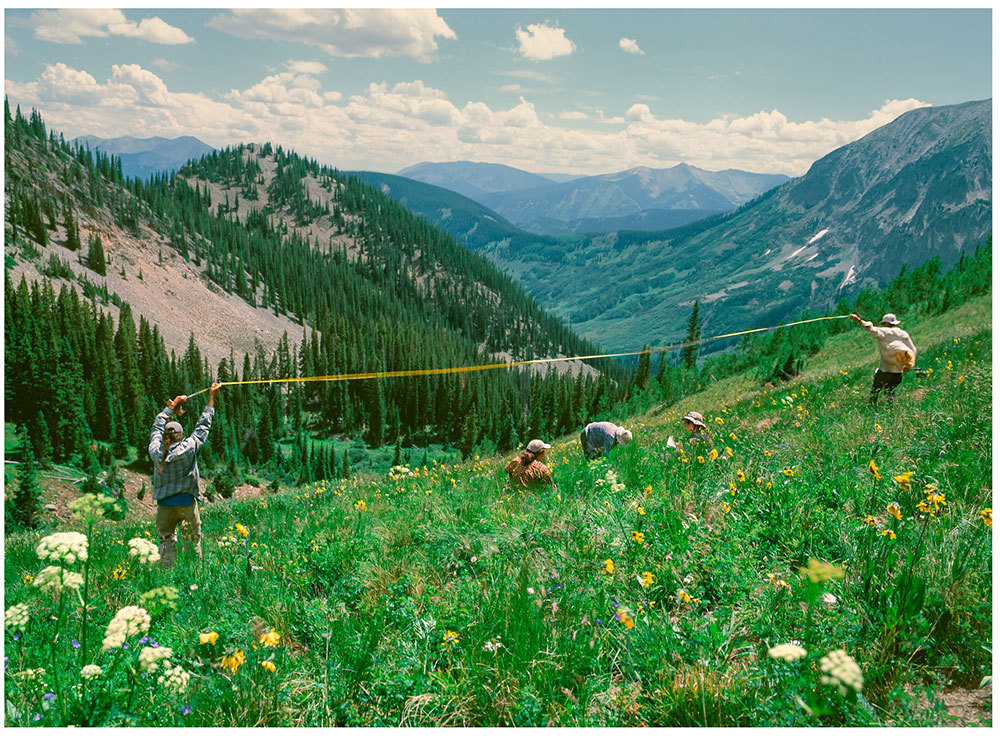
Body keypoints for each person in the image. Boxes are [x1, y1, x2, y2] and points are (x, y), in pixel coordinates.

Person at [148, 382, 221, 568]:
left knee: (165, 542)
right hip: (187, 504)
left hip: (165, 506)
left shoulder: (155, 451)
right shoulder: (188, 448)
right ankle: (194, 576)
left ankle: (168, 577)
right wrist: (211, 398)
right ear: (181, 435)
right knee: (192, 542)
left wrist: (171, 407)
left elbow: (157, 426)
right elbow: (202, 428)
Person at [849, 312, 917, 404]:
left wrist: (858, 320)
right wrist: (908, 366)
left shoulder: (884, 332)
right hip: (897, 372)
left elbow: (870, 328)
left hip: (885, 370)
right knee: (890, 392)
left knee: (875, 390)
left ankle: (871, 408)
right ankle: (893, 410)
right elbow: (913, 350)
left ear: (886, 323)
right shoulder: (903, 334)